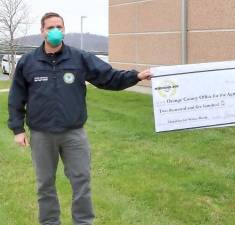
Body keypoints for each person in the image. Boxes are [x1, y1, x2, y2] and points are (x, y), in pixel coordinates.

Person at [8, 12, 151, 225]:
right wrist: (18, 129)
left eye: (59, 27)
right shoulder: (28, 62)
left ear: (64, 30)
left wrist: (135, 76)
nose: (55, 31)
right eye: (50, 27)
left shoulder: (79, 58)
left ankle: (83, 222)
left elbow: (108, 77)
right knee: (44, 185)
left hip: (73, 134)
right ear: (42, 31)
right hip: (41, 135)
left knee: (81, 182)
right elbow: (16, 96)